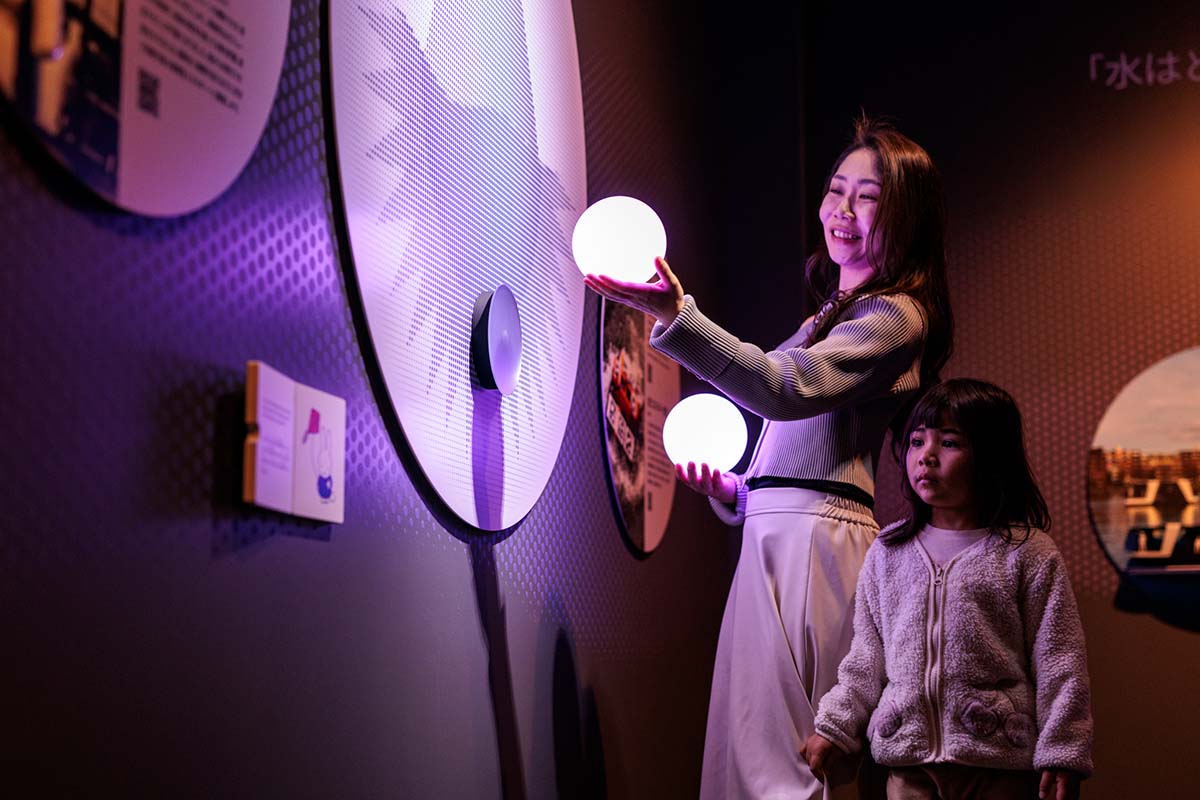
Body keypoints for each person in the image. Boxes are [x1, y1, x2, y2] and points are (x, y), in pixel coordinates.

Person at [584, 115, 954, 799]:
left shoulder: (899, 316)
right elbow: (793, 432)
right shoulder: (830, 315)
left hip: (816, 544)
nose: (842, 211)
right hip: (782, 534)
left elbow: (786, 389)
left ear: (906, 217)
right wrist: (736, 493)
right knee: (748, 751)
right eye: (836, 190)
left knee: (788, 766)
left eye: (867, 198)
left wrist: (677, 314)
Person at [800, 379, 1094, 800]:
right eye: (917, 441)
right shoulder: (889, 550)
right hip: (908, 763)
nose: (927, 456)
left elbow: (1060, 661)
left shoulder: (1028, 552)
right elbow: (867, 655)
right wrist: (835, 726)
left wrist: (1063, 751)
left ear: (990, 455)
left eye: (950, 442)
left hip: (998, 763)